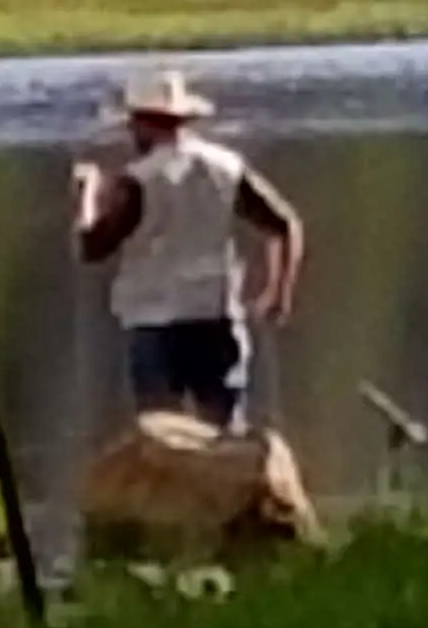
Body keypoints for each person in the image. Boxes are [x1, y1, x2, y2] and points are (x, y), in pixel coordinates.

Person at [70, 68, 303, 430]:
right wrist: (278, 293)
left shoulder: (138, 181)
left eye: (134, 123)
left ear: (144, 122)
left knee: (161, 437)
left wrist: (88, 194)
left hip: (154, 322)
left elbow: (90, 247)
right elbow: (284, 225)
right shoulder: (225, 167)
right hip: (216, 314)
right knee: (223, 433)